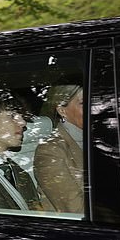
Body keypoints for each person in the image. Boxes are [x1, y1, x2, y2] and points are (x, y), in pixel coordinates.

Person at [34, 85, 84, 213]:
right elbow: (75, 209)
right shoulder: (49, 151)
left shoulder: (103, 139)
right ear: (62, 111)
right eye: (83, 103)